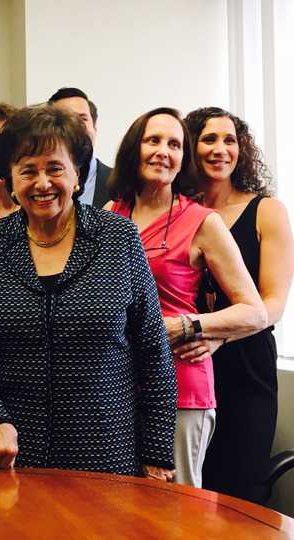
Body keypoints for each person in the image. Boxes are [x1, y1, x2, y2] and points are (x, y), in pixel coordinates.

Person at [0, 104, 178, 479]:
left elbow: (154, 354)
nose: (42, 183)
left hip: (108, 454)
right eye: (27, 171)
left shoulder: (118, 238)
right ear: (10, 179)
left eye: (54, 168)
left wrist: (157, 455)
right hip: (13, 457)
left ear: (77, 173)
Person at [105, 107, 267, 488]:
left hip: (182, 387)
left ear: (184, 159)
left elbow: (255, 312)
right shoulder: (113, 212)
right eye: (153, 140)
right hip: (120, 384)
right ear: (134, 148)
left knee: (176, 509)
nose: (164, 151)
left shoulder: (202, 221)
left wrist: (189, 325)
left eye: (174, 144)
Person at [184, 107, 294, 502]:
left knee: (238, 492)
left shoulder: (267, 211)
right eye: (209, 139)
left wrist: (217, 336)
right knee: (191, 492)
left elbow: (273, 305)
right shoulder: (180, 212)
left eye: (229, 140)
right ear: (191, 148)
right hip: (188, 365)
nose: (220, 149)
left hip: (246, 367)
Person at [48, 87, 111, 208]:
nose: (76, 127)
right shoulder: (34, 184)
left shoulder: (123, 184)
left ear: (94, 127)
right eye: (66, 119)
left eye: (83, 119)